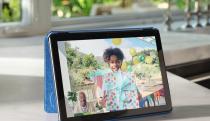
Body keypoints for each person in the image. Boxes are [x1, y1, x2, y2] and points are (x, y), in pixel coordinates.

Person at [88, 47, 141, 112]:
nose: (115, 64)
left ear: (121, 62)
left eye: (117, 61)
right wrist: (100, 100)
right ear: (108, 63)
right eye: (112, 62)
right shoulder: (103, 77)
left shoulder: (127, 76)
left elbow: (138, 95)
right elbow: (99, 96)